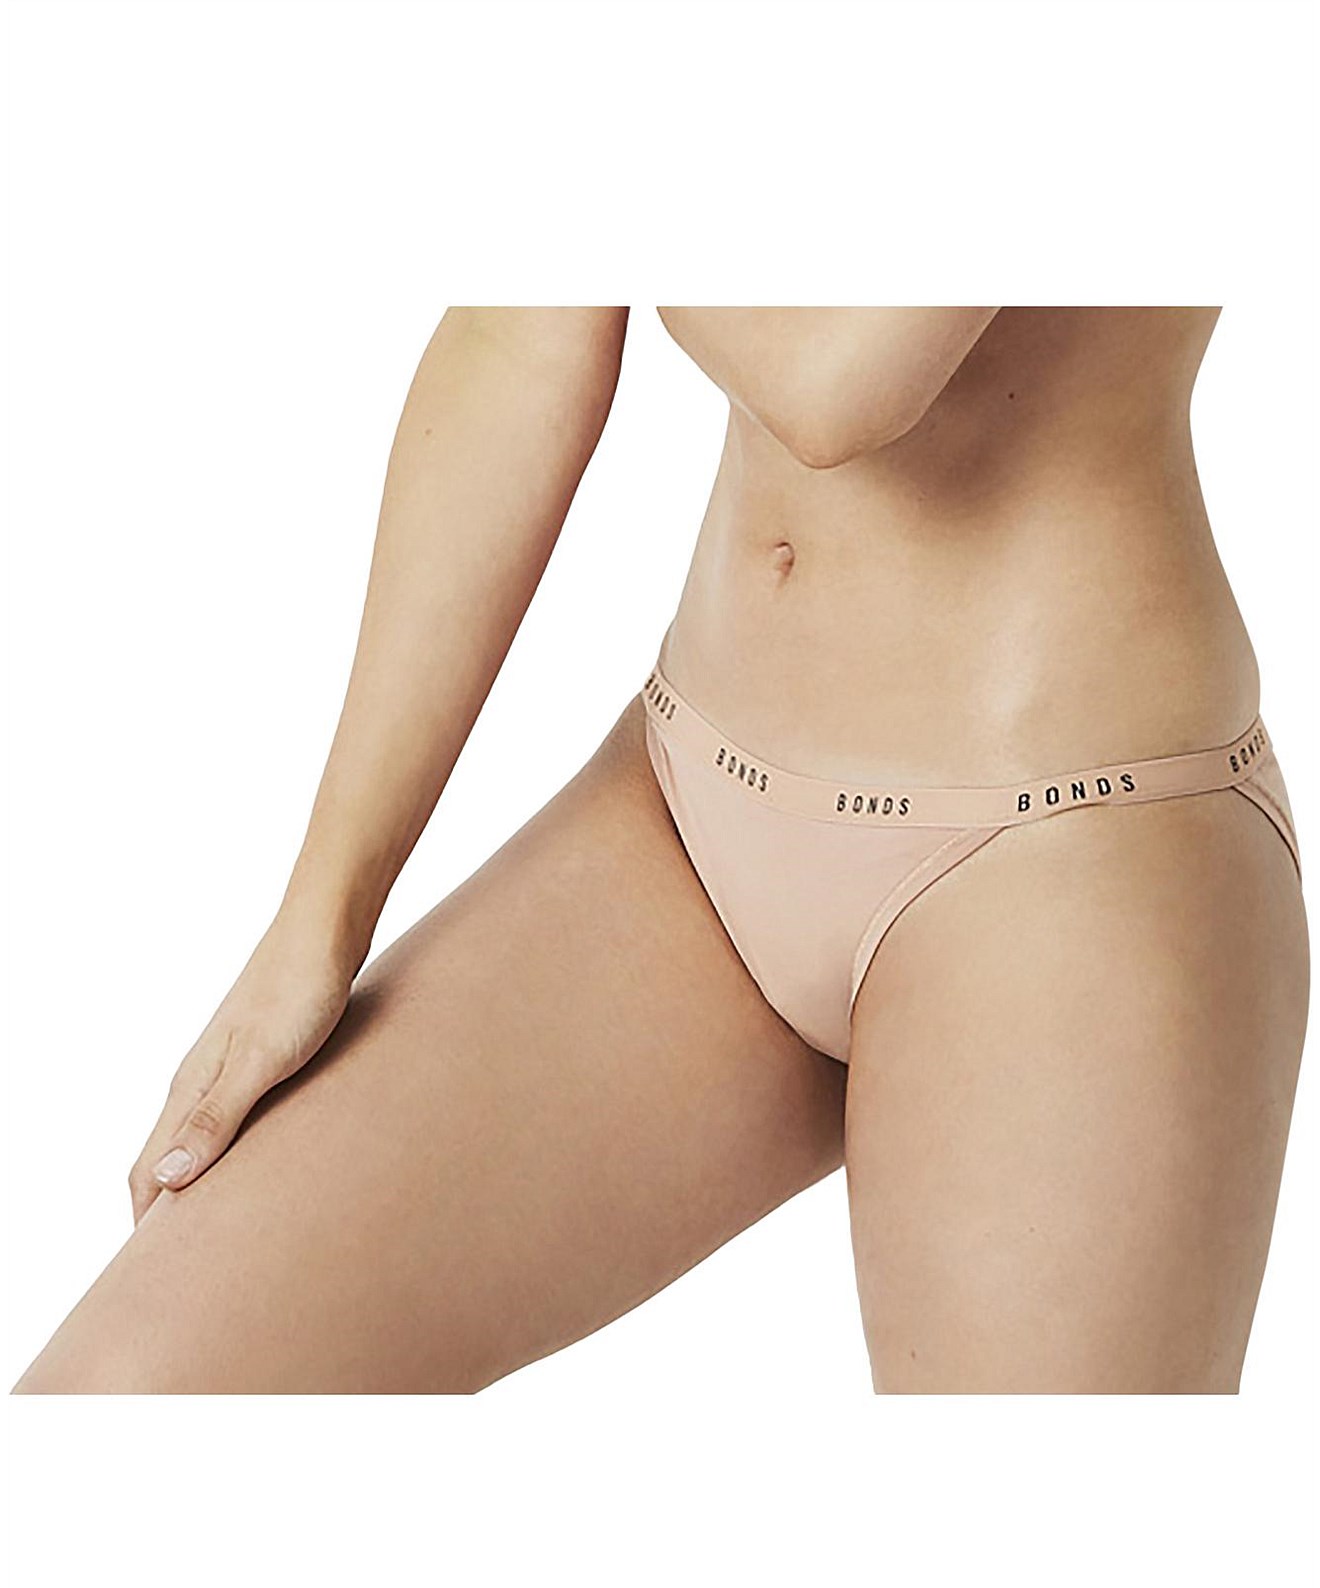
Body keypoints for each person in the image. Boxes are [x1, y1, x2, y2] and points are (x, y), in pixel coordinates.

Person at [11, 306, 1309, 1394]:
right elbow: (523, 334)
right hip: (691, 805)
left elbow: (839, 373)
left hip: (1062, 858)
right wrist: (321, 911)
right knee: (127, 1399)